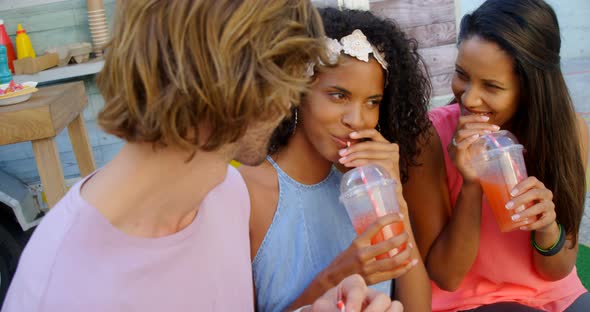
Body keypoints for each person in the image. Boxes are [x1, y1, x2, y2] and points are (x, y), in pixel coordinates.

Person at [1, 1, 403, 311]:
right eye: (290, 73)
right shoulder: (63, 291)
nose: (290, 99)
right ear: (242, 78)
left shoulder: (226, 192)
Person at [240, 8, 432, 312]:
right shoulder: (246, 193)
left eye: (373, 102)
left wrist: (394, 198)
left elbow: (417, 309)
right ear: (296, 91)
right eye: (338, 95)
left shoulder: (368, 187)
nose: (358, 120)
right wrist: (339, 274)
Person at [403, 0, 590, 311]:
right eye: (462, 74)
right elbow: (447, 277)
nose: (470, 97)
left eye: (491, 86)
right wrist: (471, 185)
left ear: (531, 88)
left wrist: (547, 228)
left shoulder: (569, 133)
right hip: (466, 303)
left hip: (553, 297)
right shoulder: (428, 137)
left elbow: (557, 270)